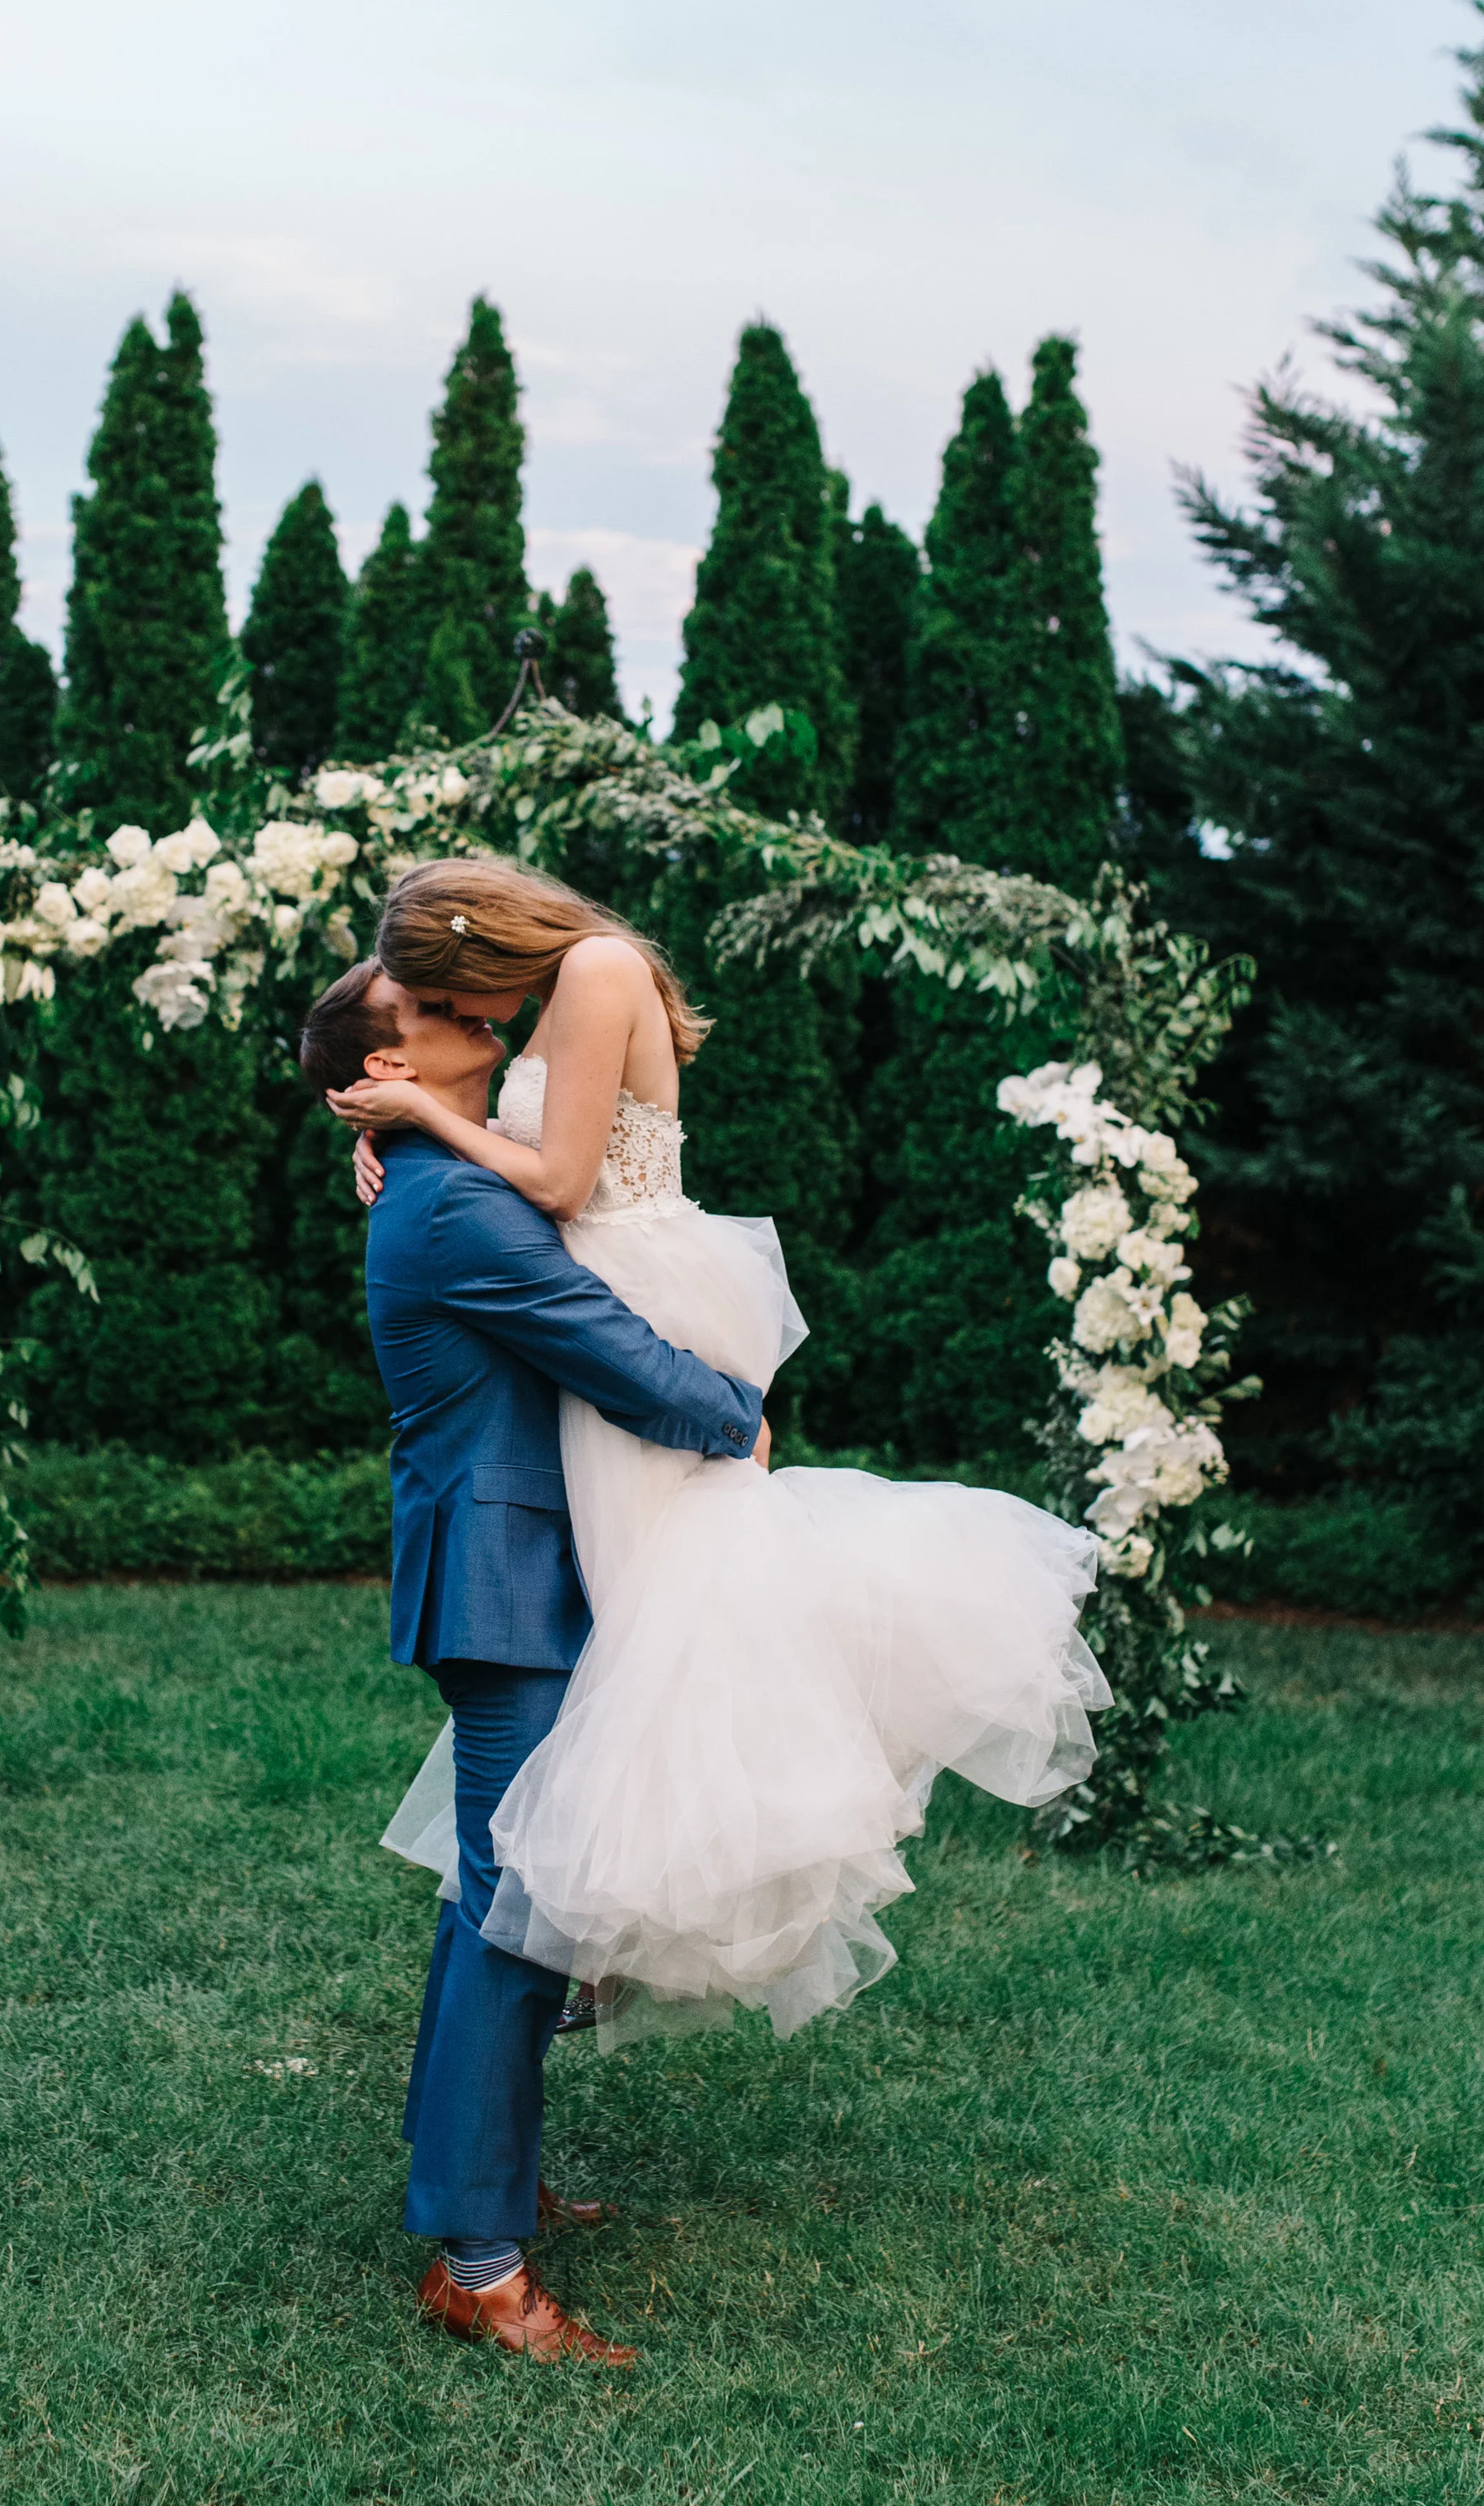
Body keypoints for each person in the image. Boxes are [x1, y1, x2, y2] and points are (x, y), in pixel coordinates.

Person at [328, 858, 1110, 2053]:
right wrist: (414, 1136)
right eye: (439, 1007)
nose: (467, 1015)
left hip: (640, 1297)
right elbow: (521, 1179)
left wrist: (425, 1118)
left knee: (675, 1623)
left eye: (447, 989)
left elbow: (557, 1181)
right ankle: (601, 1924)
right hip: (617, 1301)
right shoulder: (565, 988)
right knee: (654, 1638)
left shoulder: (591, 969)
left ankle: (617, 1916)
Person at [297, 954, 769, 2364]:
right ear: (379, 1073)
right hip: (501, 1584)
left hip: (513, 1569)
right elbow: (599, 1343)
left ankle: (482, 2191)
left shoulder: (446, 1166)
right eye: (426, 1012)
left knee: (494, 1894)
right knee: (523, 1903)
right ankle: (481, 2264)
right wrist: (730, 1410)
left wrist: (405, 1134)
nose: (460, 1009)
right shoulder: (448, 1208)